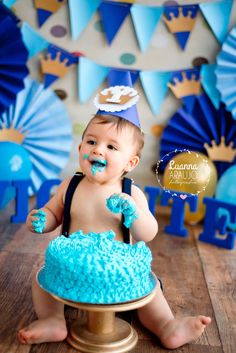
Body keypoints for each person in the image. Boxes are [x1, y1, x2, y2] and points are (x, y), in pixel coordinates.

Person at [17, 83, 211, 349]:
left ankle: (167, 326)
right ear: (80, 147)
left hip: (118, 276)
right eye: (92, 141)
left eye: (111, 146)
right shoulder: (70, 185)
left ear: (130, 163)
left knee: (150, 292)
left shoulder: (131, 193)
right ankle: (53, 320)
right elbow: (53, 213)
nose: (98, 150)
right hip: (73, 270)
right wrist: (41, 220)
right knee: (42, 283)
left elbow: (149, 232)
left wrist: (133, 212)